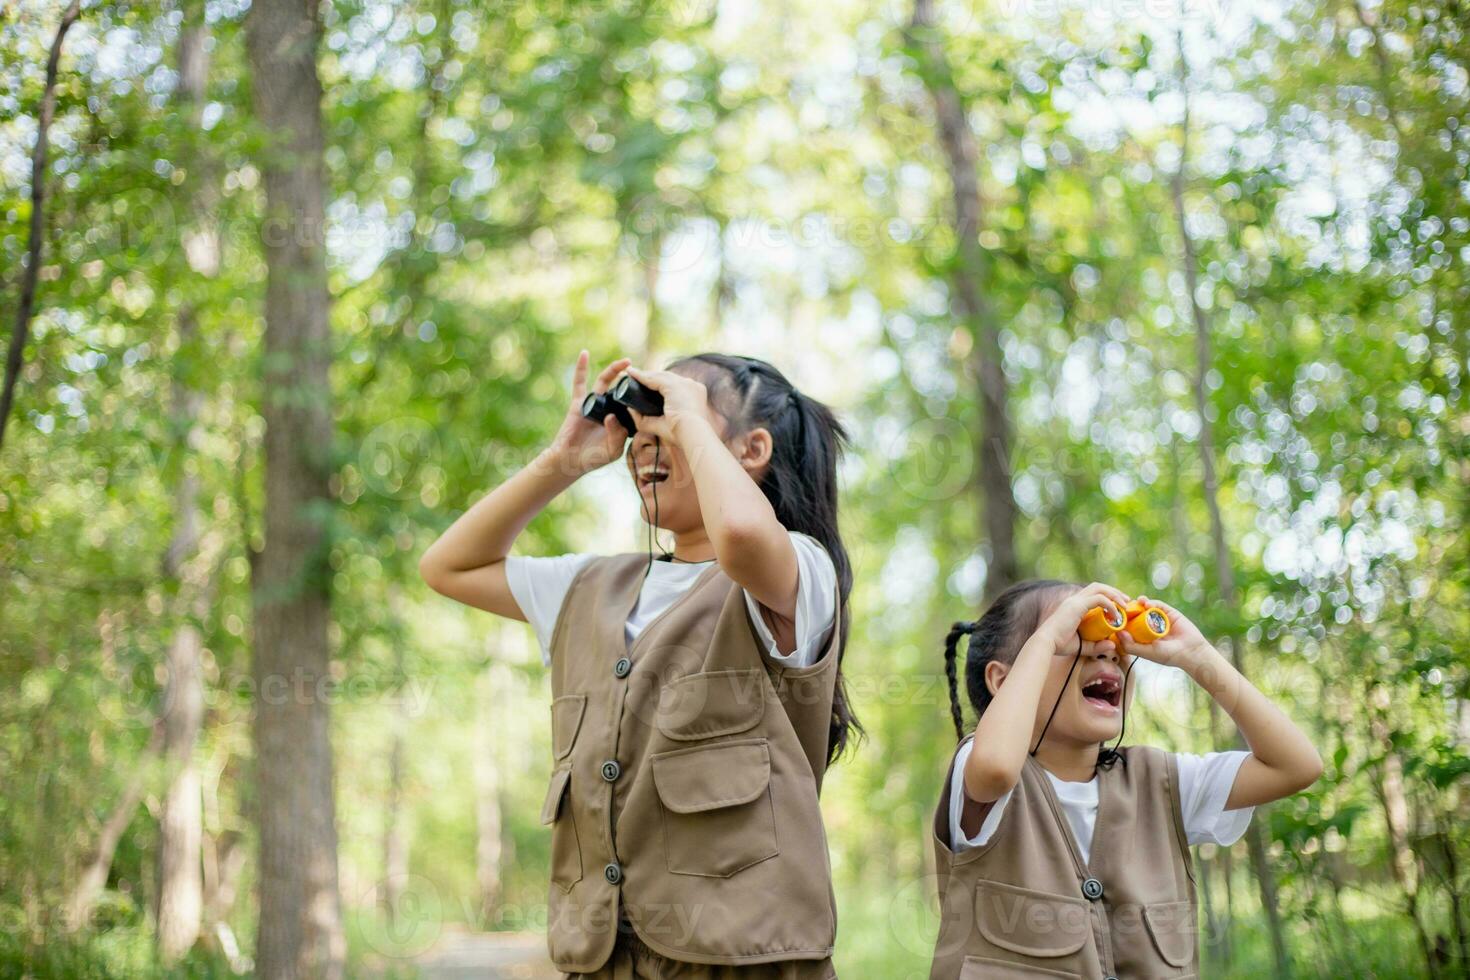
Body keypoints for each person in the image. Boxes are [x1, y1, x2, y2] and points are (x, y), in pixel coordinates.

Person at [420, 351, 856, 979]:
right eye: (637, 434)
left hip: (742, 962)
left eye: (668, 426)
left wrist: (686, 418)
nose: (644, 447)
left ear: (751, 449)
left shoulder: (795, 573)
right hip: (603, 963)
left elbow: (738, 533)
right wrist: (563, 461)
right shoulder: (591, 585)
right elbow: (447, 567)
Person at [928, 580, 1322, 979]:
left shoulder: (1163, 783)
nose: (1106, 650)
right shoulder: (980, 772)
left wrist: (1197, 656)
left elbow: (1295, 766)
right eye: (1078, 634)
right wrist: (1046, 638)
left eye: (1115, 640)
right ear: (1002, 680)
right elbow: (996, 765)